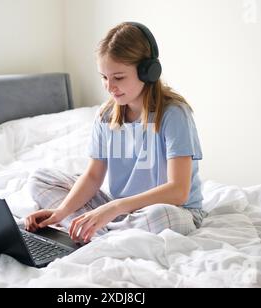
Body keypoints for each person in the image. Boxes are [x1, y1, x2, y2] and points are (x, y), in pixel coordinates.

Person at [24, 22, 207, 243]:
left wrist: (113, 208)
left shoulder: (174, 114)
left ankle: (98, 230)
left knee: (163, 217)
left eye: (118, 77)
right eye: (104, 77)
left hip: (172, 209)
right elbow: (93, 176)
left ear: (148, 72)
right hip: (121, 210)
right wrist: (60, 212)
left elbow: (178, 191)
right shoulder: (106, 115)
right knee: (40, 179)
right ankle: (101, 229)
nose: (110, 87)